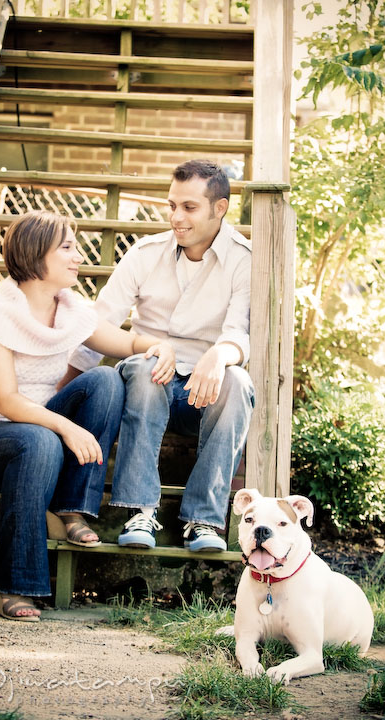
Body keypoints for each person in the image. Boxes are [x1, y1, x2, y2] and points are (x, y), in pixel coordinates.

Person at [0, 210, 175, 622]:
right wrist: (67, 427)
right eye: (67, 247)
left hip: (39, 435)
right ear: (36, 255)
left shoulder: (69, 307)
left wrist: (158, 346)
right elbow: (6, 401)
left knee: (104, 380)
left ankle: (71, 508)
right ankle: (14, 585)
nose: (78, 256)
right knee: (39, 439)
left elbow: (123, 341)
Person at [66, 159, 255, 552]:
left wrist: (220, 354)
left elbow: (239, 330)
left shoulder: (244, 258)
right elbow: (96, 326)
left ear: (219, 209)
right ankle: (139, 510)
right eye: (172, 205)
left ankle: (203, 520)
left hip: (203, 391)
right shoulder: (145, 253)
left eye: (189, 207)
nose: (175, 217)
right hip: (147, 384)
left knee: (237, 381)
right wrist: (65, 387)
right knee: (147, 368)